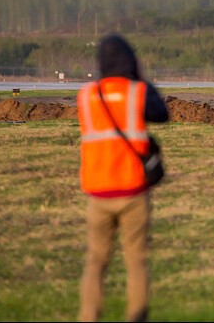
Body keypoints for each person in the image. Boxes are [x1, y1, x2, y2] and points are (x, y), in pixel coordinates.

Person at [77, 34, 168, 322]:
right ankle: (136, 318)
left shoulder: (86, 96)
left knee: (95, 262)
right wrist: (142, 78)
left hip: (97, 192)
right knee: (136, 261)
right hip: (132, 190)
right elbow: (162, 113)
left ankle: (88, 317)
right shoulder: (137, 92)